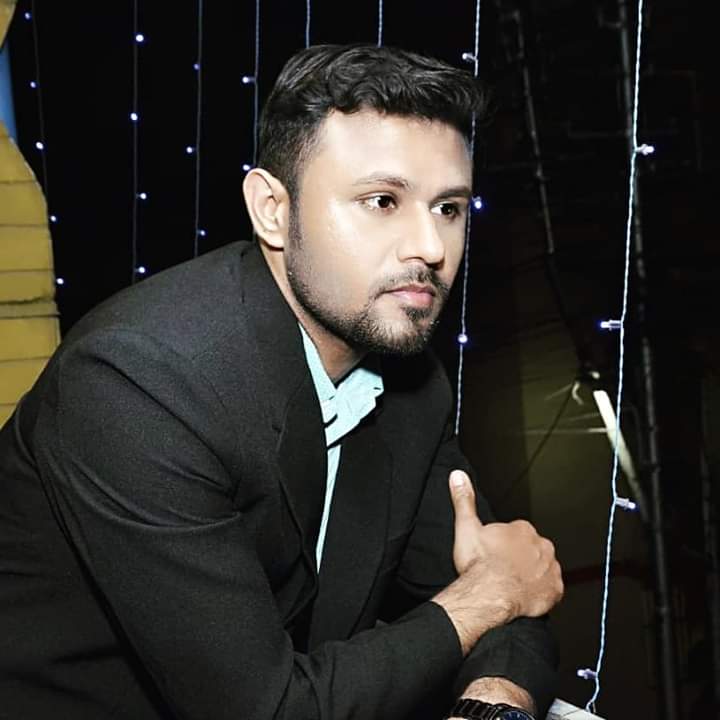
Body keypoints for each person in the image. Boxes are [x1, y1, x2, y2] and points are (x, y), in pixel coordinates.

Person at [0, 44, 563, 720]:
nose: (432, 247)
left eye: (449, 208)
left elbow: (512, 583)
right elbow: (265, 709)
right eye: (382, 201)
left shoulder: (410, 380)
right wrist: (483, 598)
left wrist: (493, 702)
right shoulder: (137, 382)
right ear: (271, 209)